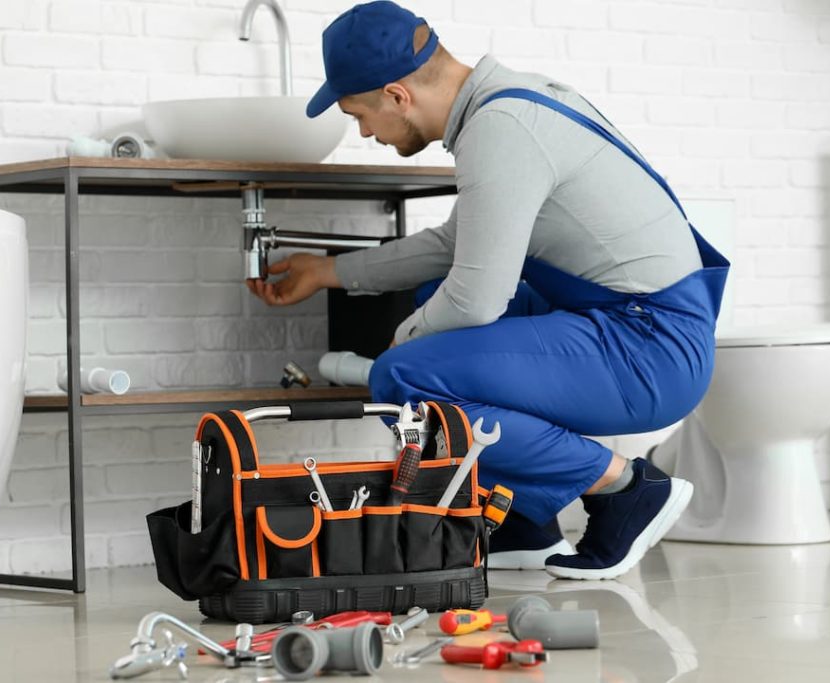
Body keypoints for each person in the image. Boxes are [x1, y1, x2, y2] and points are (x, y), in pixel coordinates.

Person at [246, 1, 729, 580]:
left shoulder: (501, 130)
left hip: (648, 347)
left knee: (403, 377)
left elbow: (477, 299)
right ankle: (528, 519)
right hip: (636, 327)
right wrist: (330, 271)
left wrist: (402, 349)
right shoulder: (511, 103)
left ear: (398, 96)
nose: (366, 132)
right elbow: (460, 246)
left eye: (361, 115)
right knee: (432, 300)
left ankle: (624, 489)